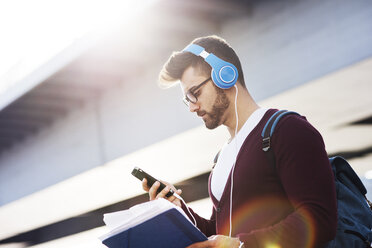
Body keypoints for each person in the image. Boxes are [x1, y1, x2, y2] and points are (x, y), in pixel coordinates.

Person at [141, 35, 337, 248]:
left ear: (224, 75)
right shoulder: (221, 158)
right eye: (187, 99)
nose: (192, 107)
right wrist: (180, 211)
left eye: (195, 93)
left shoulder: (287, 130)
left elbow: (320, 220)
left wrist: (239, 245)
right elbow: (220, 234)